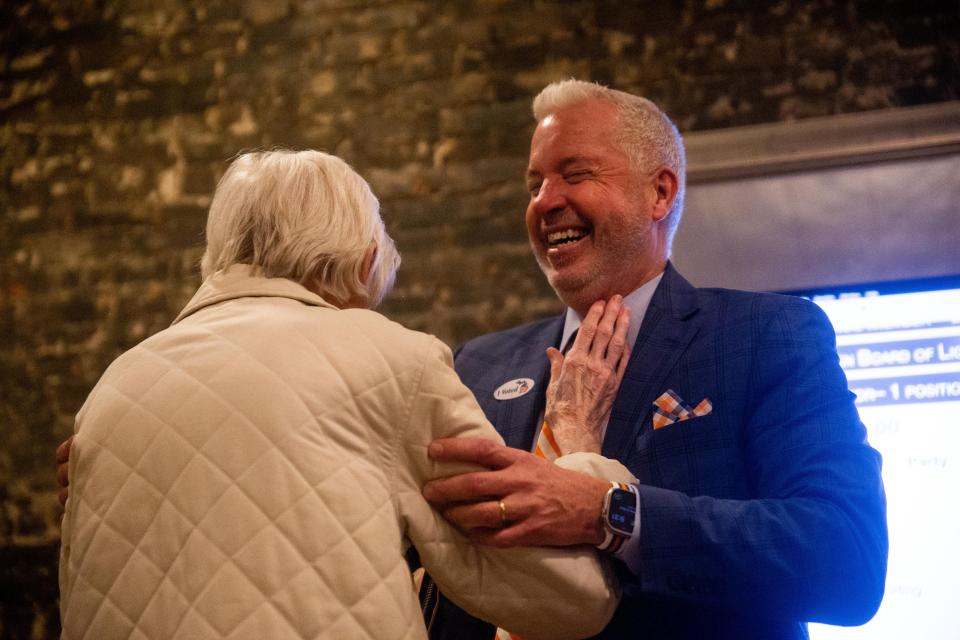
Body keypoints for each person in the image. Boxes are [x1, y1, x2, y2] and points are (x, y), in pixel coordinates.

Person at [57, 149, 631, 639]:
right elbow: (566, 598)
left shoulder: (116, 384)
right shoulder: (388, 359)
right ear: (365, 262)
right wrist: (576, 444)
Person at [419, 80, 888, 639]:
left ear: (660, 193)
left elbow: (846, 559)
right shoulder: (480, 365)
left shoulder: (765, 336)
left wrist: (612, 514)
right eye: (535, 183)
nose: (544, 200)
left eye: (575, 174)